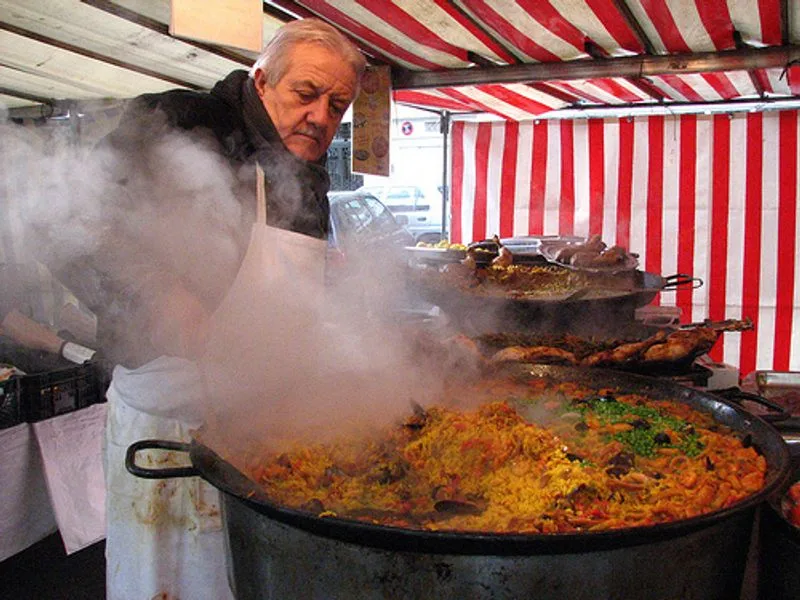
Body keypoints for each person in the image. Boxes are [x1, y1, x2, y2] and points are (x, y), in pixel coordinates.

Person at [47, 18, 365, 600]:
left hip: (263, 426)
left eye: (338, 104)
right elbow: (69, 222)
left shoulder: (309, 179)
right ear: (262, 79)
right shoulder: (182, 124)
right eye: (306, 94)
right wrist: (156, 291)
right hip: (168, 422)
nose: (322, 115)